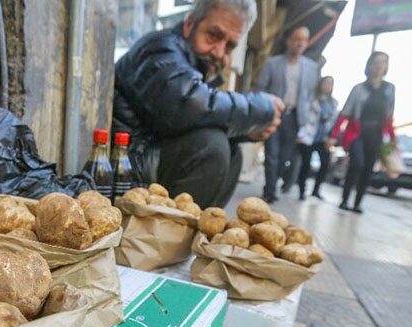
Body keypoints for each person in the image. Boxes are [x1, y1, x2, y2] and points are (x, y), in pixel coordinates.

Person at [112, 0, 285, 208]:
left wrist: (244, 133)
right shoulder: (160, 48)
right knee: (211, 145)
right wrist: (261, 108)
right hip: (125, 168)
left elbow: (195, 113)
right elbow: (188, 105)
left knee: (230, 147)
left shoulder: (191, 63)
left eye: (229, 46)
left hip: (147, 157)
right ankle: (171, 236)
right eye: (213, 35)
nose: (219, 52)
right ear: (189, 24)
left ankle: (195, 229)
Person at [255, 26, 320, 203]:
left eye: (304, 40)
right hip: (274, 113)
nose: (300, 43)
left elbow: (309, 95)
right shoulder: (272, 63)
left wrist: (307, 119)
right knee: (272, 153)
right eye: (297, 38)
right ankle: (270, 191)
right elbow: (260, 88)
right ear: (288, 41)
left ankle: (272, 185)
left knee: (285, 157)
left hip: (295, 117)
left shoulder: (312, 68)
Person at [327, 51, 397, 214]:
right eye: (376, 62)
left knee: (368, 168)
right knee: (357, 163)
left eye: (383, 63)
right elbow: (344, 113)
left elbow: (389, 117)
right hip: (357, 133)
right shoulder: (359, 89)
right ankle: (345, 199)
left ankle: (358, 203)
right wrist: (333, 135)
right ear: (369, 65)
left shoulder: (389, 89)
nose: (379, 66)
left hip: (376, 134)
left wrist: (393, 139)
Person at [296, 76, 338, 200]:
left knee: (325, 164)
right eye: (326, 83)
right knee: (305, 165)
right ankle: (302, 191)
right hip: (308, 136)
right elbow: (304, 117)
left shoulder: (333, 103)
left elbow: (333, 122)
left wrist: (332, 137)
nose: (327, 86)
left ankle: (316, 190)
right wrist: (300, 134)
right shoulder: (311, 99)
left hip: (323, 138)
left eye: (330, 83)